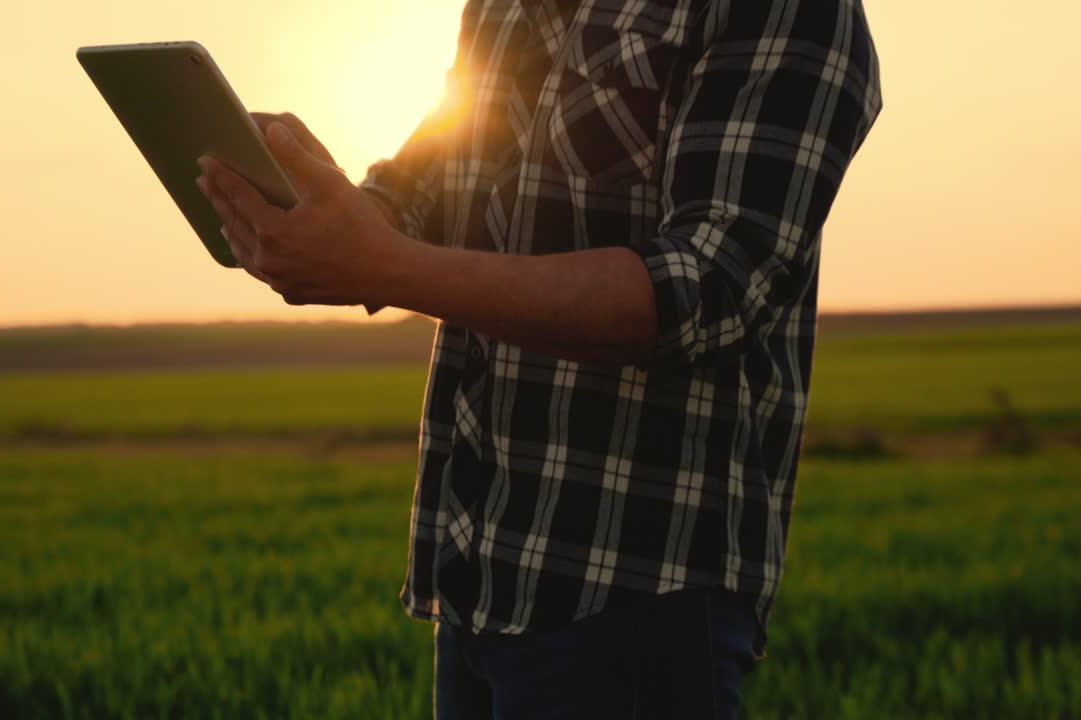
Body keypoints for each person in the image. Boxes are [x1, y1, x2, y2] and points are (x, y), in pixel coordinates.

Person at [196, 0, 882, 716]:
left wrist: (381, 263)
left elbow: (708, 290)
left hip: (639, 601)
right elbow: (423, 192)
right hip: (477, 582)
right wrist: (308, 196)